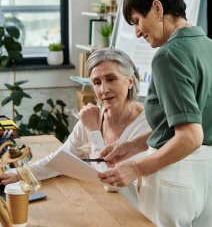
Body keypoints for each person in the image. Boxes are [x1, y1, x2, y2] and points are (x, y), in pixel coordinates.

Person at [97, 0, 212, 227]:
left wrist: (135, 167)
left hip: (176, 176)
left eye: (137, 20)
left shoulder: (167, 56)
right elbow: (190, 123)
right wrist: (131, 146)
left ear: (157, 8)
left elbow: (190, 136)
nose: (136, 32)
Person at [0, 48, 150, 208]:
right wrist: (19, 174)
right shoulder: (96, 115)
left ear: (130, 81)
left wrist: (93, 131)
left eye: (111, 79)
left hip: (135, 213)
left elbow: (111, 182)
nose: (104, 90)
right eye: (97, 82)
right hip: (103, 205)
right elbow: (62, 158)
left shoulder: (146, 123)